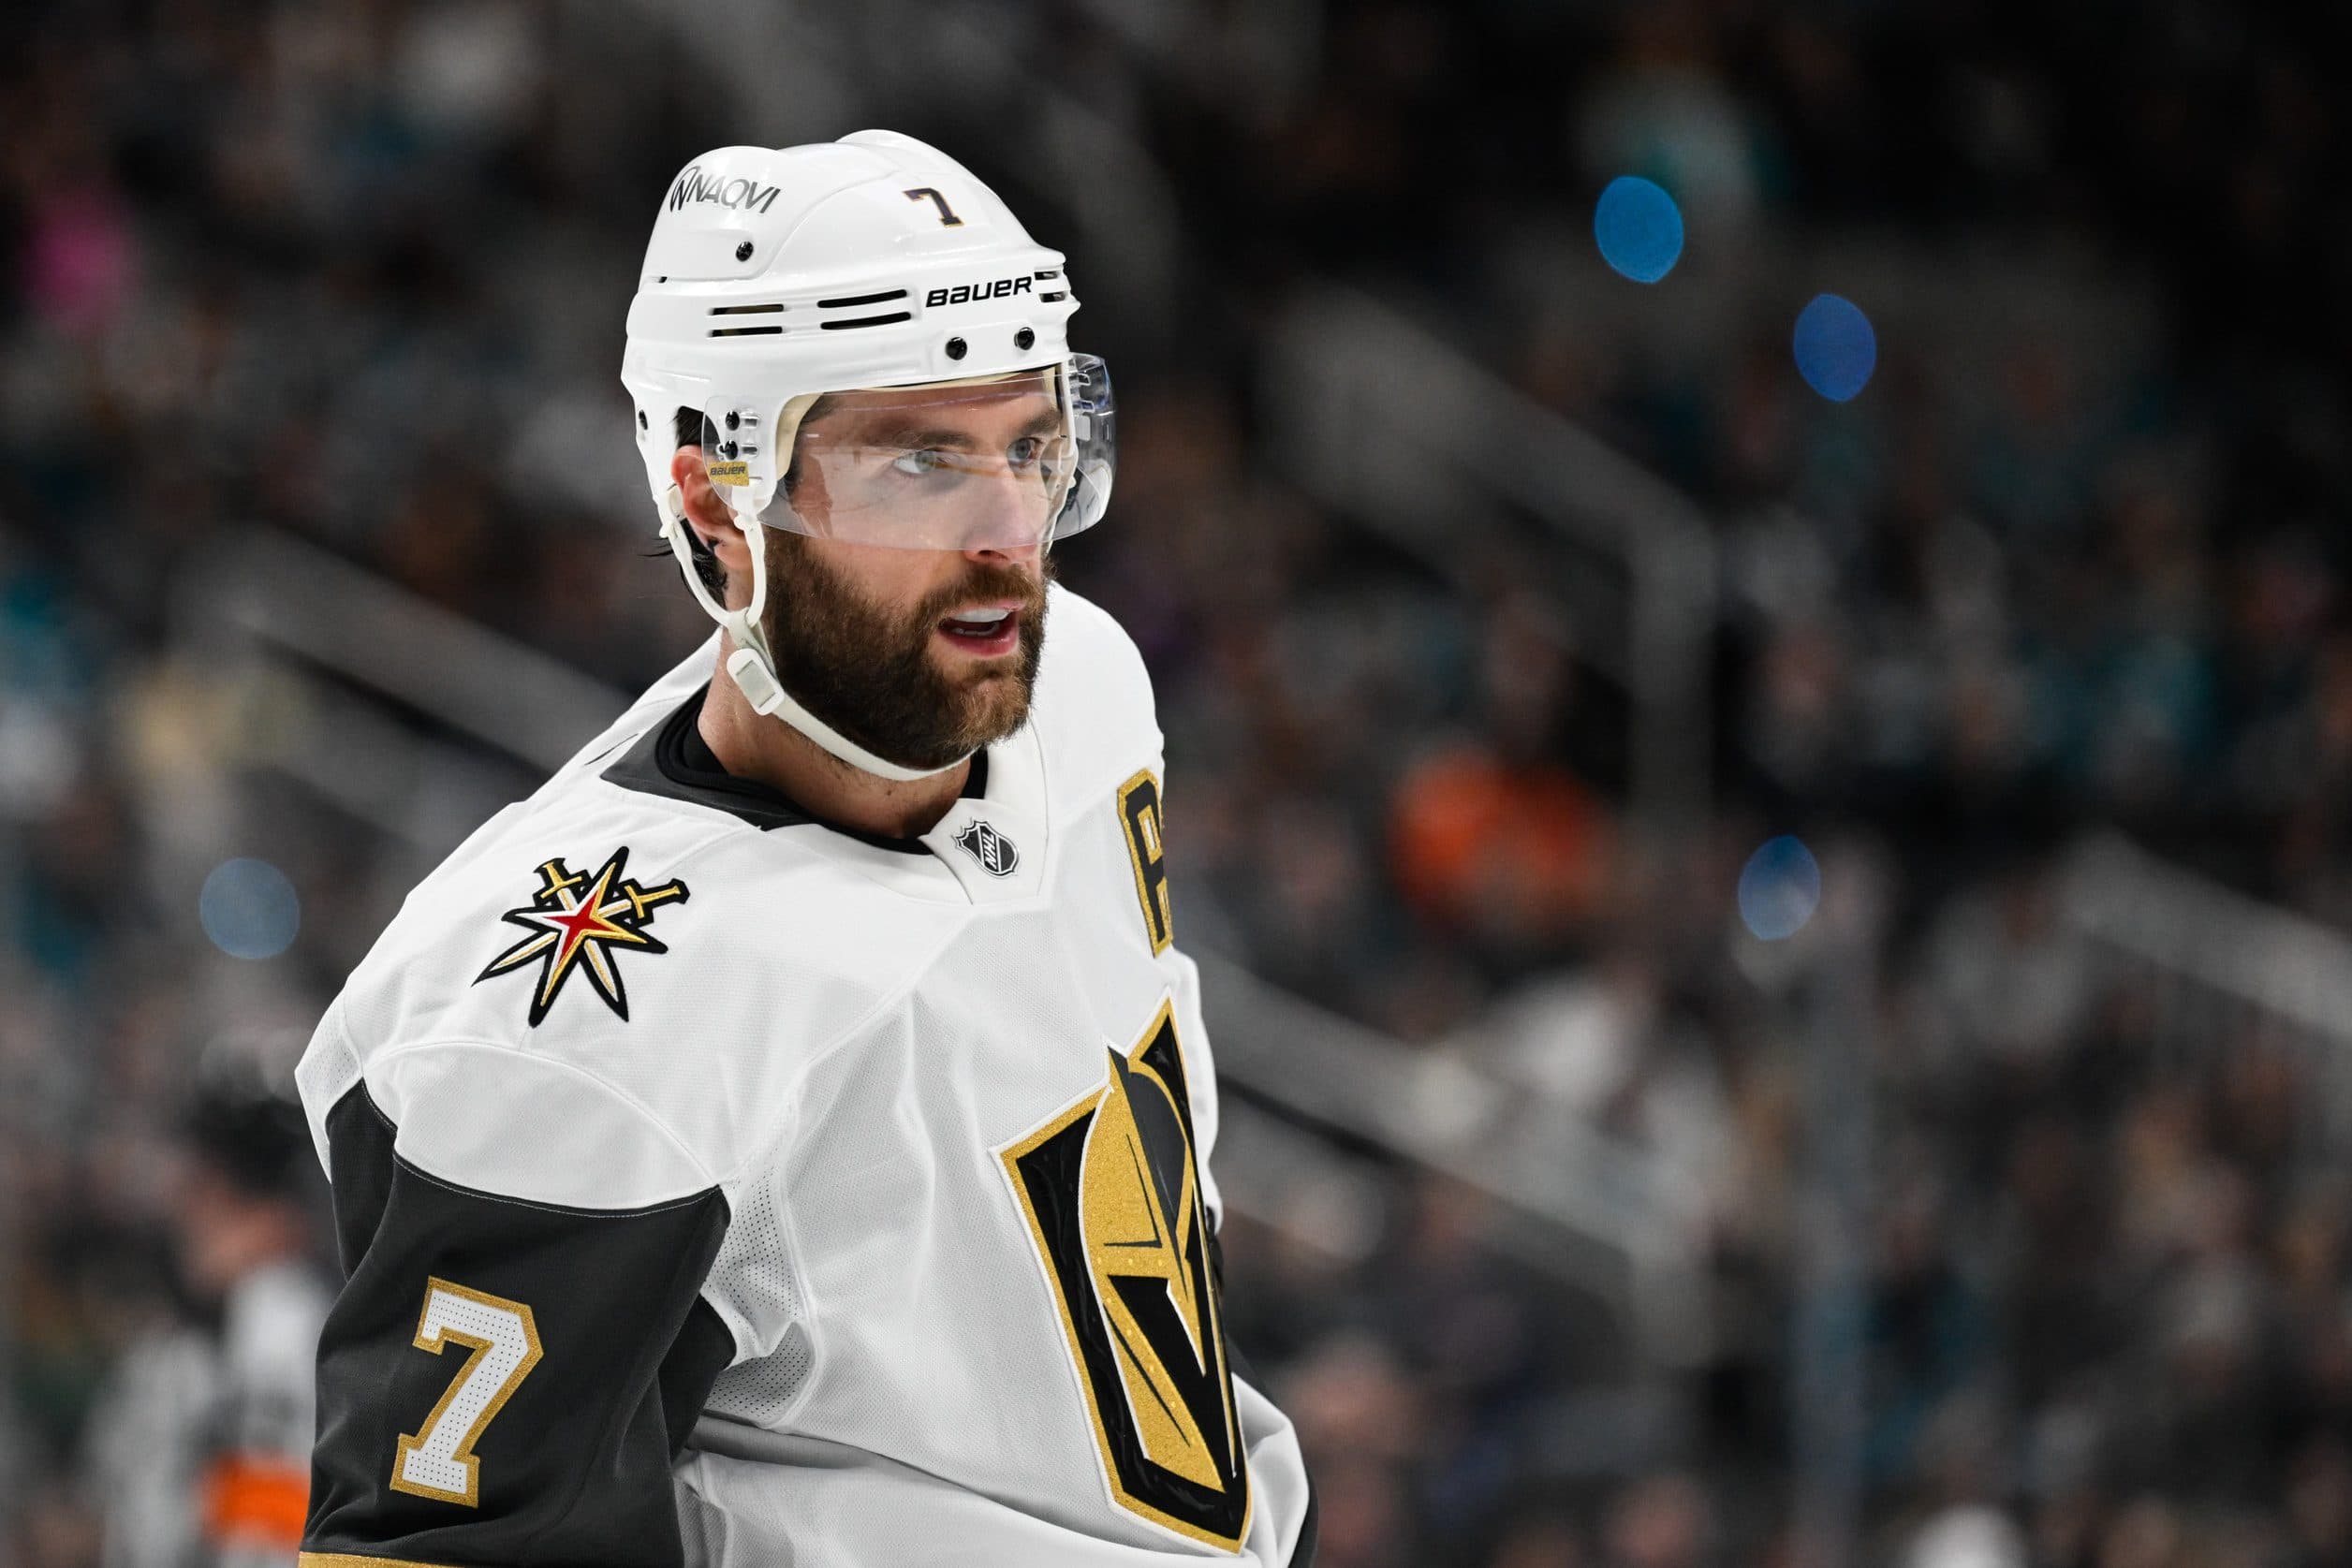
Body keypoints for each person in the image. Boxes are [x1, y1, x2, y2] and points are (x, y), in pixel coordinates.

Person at [291, 129, 1317, 1566]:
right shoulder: (569, 1010)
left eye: (1031, 446)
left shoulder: (1083, 685)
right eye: (918, 464)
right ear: (719, 506)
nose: (1008, 535)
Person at [87, 1077, 332, 1568]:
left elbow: (271, 1524)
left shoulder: (284, 1327)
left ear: (213, 1186)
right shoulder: (188, 1334)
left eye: (191, 1184)